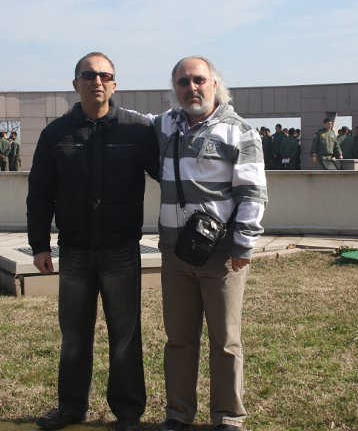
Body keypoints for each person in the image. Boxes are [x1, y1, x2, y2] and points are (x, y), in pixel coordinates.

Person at [27, 52, 159, 431]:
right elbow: (40, 192)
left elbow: (170, 174)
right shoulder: (57, 134)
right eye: (89, 75)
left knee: (125, 335)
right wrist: (39, 244)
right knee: (73, 335)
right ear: (75, 84)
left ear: (115, 84)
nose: (97, 81)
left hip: (121, 249)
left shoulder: (136, 131)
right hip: (74, 251)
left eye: (105, 75)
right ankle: (71, 407)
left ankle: (128, 412)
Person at [151, 56, 267, 431]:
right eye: (183, 82)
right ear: (175, 89)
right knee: (179, 339)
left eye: (198, 80)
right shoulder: (166, 125)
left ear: (214, 84)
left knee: (225, 340)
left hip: (220, 256)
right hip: (174, 251)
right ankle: (178, 414)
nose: (191, 88)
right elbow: (131, 119)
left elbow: (252, 194)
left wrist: (243, 245)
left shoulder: (240, 131)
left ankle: (229, 417)